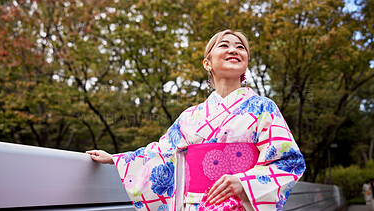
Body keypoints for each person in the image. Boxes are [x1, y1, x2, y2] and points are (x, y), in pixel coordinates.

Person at [86, 29, 306, 211]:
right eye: (224, 45)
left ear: (246, 63)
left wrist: (244, 183)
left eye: (241, 47)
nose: (234, 50)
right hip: (194, 205)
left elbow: (289, 162)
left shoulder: (263, 107)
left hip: (241, 204)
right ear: (207, 63)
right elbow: (160, 154)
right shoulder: (190, 116)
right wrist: (116, 159)